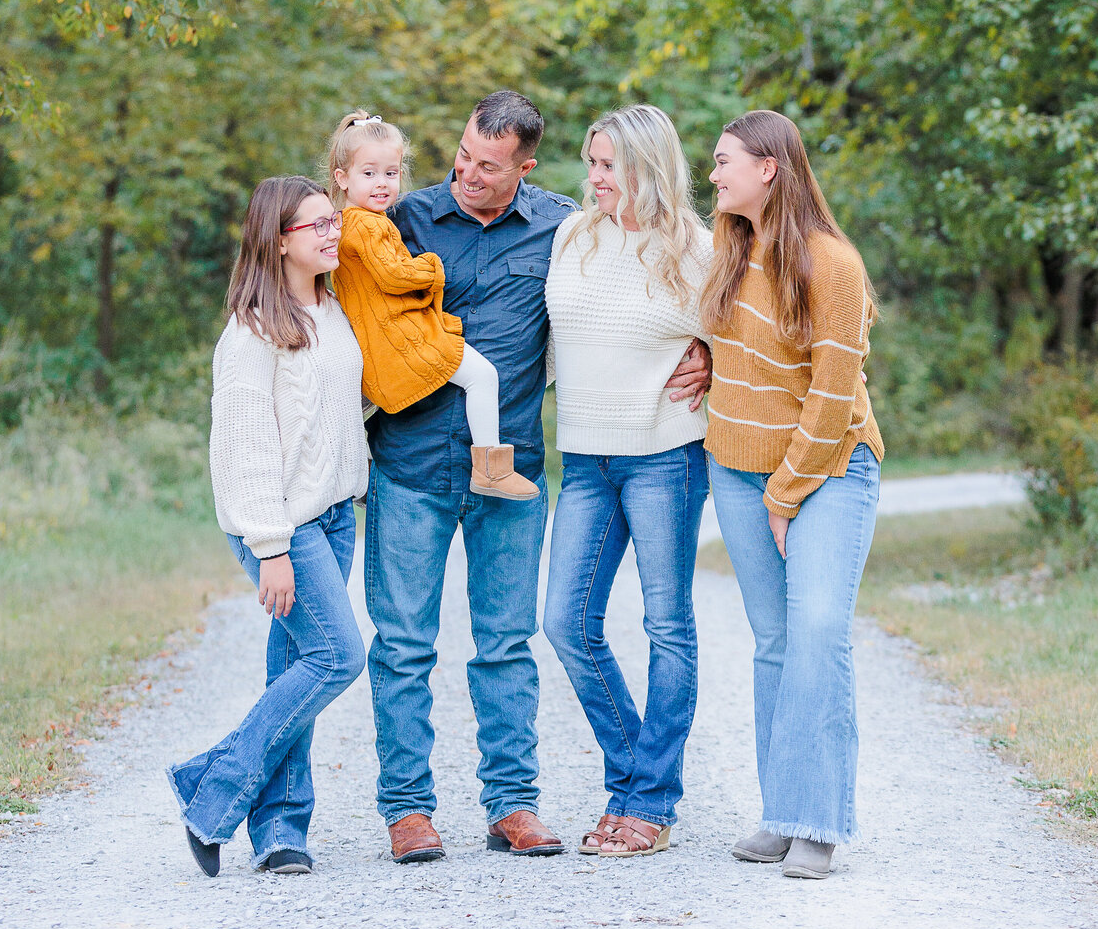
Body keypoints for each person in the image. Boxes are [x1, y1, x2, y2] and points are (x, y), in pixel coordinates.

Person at [363, 90, 712, 865]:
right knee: (402, 645)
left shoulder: (563, 226)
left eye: (489, 166)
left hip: (512, 469)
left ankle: (512, 804)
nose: (467, 174)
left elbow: (662, 295)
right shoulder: (403, 222)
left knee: (508, 643)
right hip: (412, 462)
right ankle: (408, 810)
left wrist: (707, 352)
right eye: (461, 155)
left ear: (525, 167)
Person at [168, 177, 369, 878]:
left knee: (295, 665)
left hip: (336, 516)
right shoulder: (251, 333)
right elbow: (244, 446)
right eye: (316, 225)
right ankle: (211, 784)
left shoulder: (335, 309)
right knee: (339, 657)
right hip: (282, 524)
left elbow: (338, 412)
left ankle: (282, 829)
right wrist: (271, 547)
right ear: (278, 238)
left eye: (331, 222)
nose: (330, 233)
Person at [703, 110, 884, 881]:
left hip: (829, 469)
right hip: (736, 468)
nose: (712, 176)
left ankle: (819, 821)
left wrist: (785, 494)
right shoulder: (729, 245)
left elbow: (834, 394)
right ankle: (782, 811)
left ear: (768, 168)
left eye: (722, 162)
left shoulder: (830, 263)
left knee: (817, 632)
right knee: (774, 640)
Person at [543, 105, 713, 857]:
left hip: (665, 455)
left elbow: (750, 337)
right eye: (592, 162)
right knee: (566, 622)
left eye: (609, 164)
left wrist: (713, 358)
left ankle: (649, 802)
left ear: (649, 166)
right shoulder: (573, 236)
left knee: (666, 626)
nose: (595, 177)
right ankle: (634, 780)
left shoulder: (700, 250)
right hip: (583, 457)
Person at [328, 110, 535, 500]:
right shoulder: (368, 225)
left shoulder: (354, 222)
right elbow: (394, 275)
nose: (382, 184)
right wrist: (432, 266)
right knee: (482, 376)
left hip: (378, 336)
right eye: (368, 173)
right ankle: (491, 467)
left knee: (354, 400)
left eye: (391, 173)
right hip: (401, 334)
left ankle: (352, 468)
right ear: (342, 178)